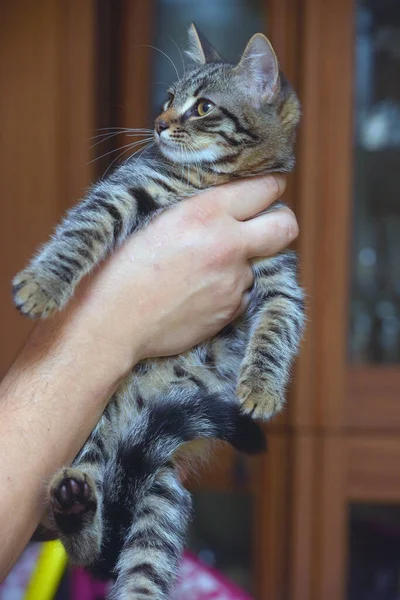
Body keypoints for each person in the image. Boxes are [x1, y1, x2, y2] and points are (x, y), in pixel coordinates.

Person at [0, 175, 297, 578]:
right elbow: (104, 210)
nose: (166, 123)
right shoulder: (161, 173)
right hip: (126, 403)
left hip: (162, 408)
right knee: (115, 466)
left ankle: (88, 527)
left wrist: (264, 373)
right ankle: (86, 528)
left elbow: (282, 302)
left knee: (157, 506)